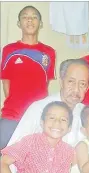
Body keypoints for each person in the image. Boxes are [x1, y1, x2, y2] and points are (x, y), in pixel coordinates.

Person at [7, 59, 89, 173]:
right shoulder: (39, 109)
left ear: (87, 87)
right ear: (61, 81)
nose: (76, 89)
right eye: (71, 82)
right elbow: (10, 156)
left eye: (82, 84)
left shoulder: (87, 114)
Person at [0, 5, 56, 149]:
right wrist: (17, 105)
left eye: (34, 17)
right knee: (4, 155)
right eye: (25, 17)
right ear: (19, 23)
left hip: (38, 116)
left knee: (33, 160)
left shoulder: (49, 52)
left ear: (40, 23)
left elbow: (45, 83)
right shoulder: (9, 50)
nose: (29, 20)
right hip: (12, 115)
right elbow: (6, 83)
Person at [1, 101, 75, 173]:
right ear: (42, 123)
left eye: (63, 119)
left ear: (69, 128)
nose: (57, 122)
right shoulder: (30, 142)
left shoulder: (68, 151)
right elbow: (3, 162)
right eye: (52, 118)